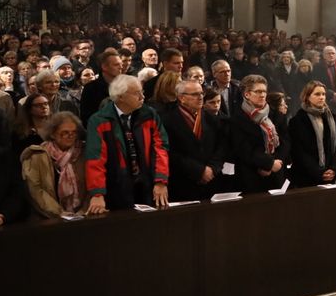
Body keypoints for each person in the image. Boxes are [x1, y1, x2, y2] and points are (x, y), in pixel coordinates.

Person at [84, 74, 170, 213]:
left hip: (147, 184)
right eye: (137, 93)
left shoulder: (149, 114)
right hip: (116, 188)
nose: (142, 97)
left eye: (142, 92)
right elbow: (95, 159)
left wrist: (160, 181)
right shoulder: (99, 120)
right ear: (121, 97)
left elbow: (161, 147)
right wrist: (97, 194)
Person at [161, 78, 227, 202]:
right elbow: (171, 152)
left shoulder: (212, 119)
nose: (200, 97)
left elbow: (221, 147)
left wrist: (212, 168)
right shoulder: (167, 121)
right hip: (184, 182)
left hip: (212, 181)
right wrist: (199, 171)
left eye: (201, 93)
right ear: (181, 98)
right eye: (195, 94)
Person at [229, 74, 288, 193]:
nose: (262, 95)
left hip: (276, 170)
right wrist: (267, 164)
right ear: (247, 94)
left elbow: (285, 141)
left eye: (264, 91)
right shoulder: (237, 118)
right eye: (258, 91)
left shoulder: (276, 114)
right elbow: (243, 149)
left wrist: (277, 162)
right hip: (251, 173)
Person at [21, 111, 85, 217]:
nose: (70, 136)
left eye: (74, 132)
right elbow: (35, 190)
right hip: (48, 216)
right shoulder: (37, 155)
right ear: (53, 134)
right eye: (65, 132)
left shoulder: (83, 152)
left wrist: (83, 210)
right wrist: (59, 212)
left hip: (81, 214)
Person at [289, 81, 336, 187]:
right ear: (307, 96)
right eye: (317, 94)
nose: (322, 97)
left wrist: (334, 169)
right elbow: (298, 151)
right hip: (307, 177)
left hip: (330, 174)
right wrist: (319, 172)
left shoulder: (330, 117)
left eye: (323, 94)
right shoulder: (297, 120)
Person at [81, 49, 123, 124]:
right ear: (104, 67)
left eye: (121, 64)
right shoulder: (90, 89)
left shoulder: (125, 86)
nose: (121, 67)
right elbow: (87, 118)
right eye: (116, 64)